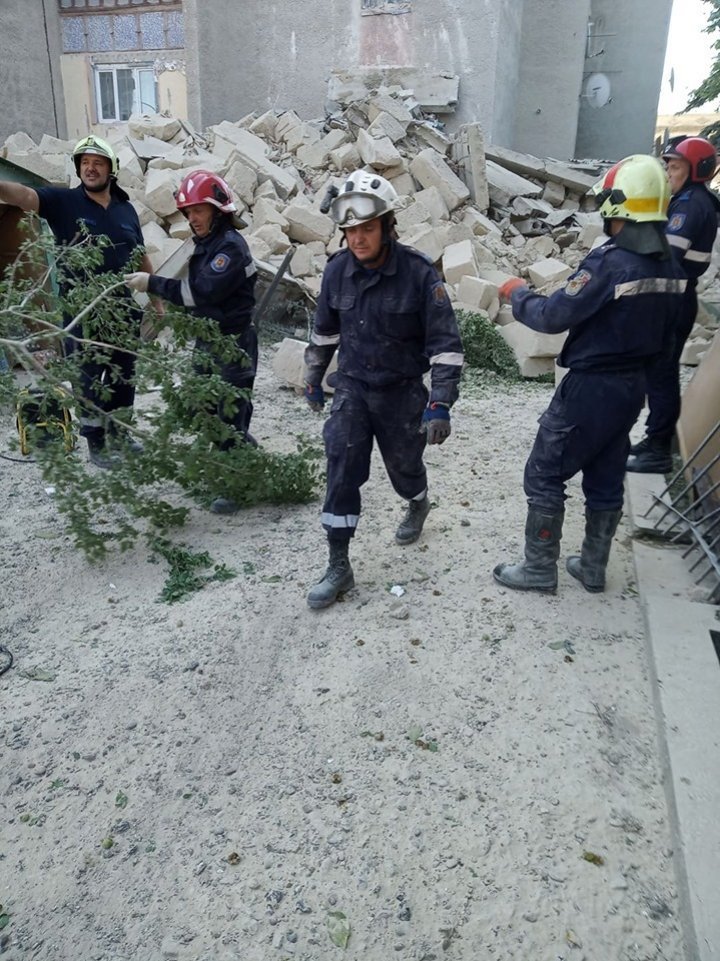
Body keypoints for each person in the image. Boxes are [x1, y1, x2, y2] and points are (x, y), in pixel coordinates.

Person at [493, 154, 686, 595]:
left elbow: (553, 315)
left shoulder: (610, 264)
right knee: (605, 475)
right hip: (630, 389)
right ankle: (593, 567)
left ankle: (539, 569)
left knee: (544, 474)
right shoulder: (672, 270)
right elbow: (669, 343)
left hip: (589, 388)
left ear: (617, 207)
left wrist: (517, 294)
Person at [302, 170, 464, 610]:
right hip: (353, 388)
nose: (358, 239)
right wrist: (313, 377)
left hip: (401, 392)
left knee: (404, 468)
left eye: (367, 229)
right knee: (342, 462)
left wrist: (440, 404)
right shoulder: (337, 272)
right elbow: (324, 334)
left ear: (388, 225)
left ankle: (417, 501)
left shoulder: (418, 274)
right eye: (350, 231)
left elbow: (445, 345)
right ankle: (339, 565)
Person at [0, 135, 154, 468]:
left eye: (98, 162)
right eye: (85, 162)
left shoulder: (126, 209)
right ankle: (97, 446)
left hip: (122, 310)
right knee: (87, 377)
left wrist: (155, 299)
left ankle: (121, 435)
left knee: (122, 376)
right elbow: (24, 195)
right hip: (81, 312)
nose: (90, 168)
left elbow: (140, 255)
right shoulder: (62, 202)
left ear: (111, 169)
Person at [125, 169, 257, 515]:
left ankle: (235, 484)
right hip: (209, 342)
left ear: (217, 209)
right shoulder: (207, 244)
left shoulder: (229, 247)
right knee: (204, 407)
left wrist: (152, 283)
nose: (192, 218)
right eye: (188, 212)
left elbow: (200, 291)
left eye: (198, 210)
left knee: (228, 412)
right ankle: (244, 452)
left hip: (233, 345)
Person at [627, 135, 720, 473]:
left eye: (675, 166)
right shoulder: (686, 199)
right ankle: (656, 439)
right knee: (657, 372)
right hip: (674, 294)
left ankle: (658, 451)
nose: (668, 172)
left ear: (697, 170)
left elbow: (665, 253)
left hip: (674, 297)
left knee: (662, 374)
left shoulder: (691, 205)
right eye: (667, 165)